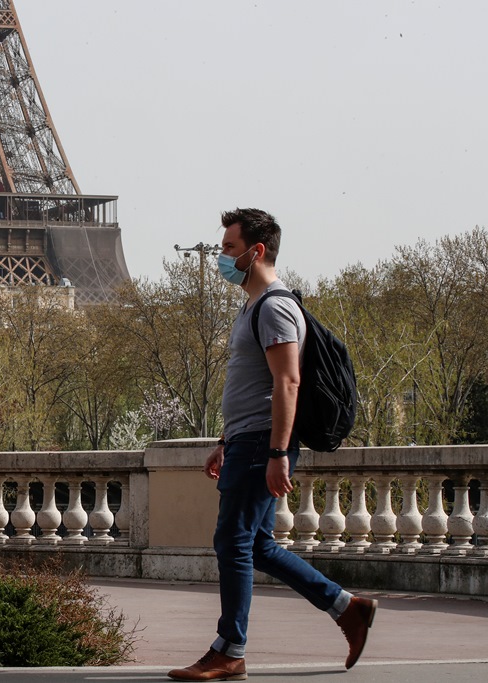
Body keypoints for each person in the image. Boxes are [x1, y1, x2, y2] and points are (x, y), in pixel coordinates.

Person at [168, 209, 377, 681]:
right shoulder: (252, 306)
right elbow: (255, 385)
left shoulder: (275, 307)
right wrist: (226, 439)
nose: (223, 257)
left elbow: (287, 382)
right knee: (257, 545)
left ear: (255, 251)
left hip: (264, 443)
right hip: (248, 440)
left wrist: (278, 453)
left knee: (233, 540)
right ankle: (347, 608)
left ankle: (230, 649)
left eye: (227, 248)